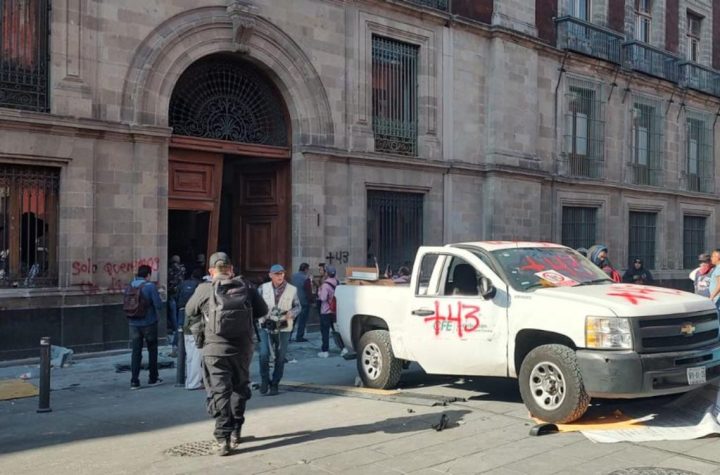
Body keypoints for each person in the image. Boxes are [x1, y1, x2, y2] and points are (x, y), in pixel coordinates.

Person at [184, 252, 267, 456]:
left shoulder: (204, 289)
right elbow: (262, 311)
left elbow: (189, 310)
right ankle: (236, 431)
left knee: (220, 391)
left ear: (211, 271)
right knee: (239, 388)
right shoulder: (246, 287)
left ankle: (223, 438)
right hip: (242, 348)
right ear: (230, 269)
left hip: (214, 350)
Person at [257, 264, 301, 396]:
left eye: (281, 273)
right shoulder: (262, 288)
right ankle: (265, 380)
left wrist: (291, 314)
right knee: (264, 354)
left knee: (280, 357)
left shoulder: (292, 289)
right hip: (265, 325)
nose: (280, 276)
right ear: (270, 275)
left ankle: (275, 383)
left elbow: (298, 307)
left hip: (284, 326)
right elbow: (255, 304)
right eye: (276, 274)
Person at [128, 265, 164, 390]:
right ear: (148, 275)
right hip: (149, 322)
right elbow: (158, 305)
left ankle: (134, 380)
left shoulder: (130, 285)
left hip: (133, 323)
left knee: (136, 352)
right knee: (152, 350)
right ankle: (153, 378)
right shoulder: (150, 286)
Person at [178, 268, 205, 390]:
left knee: (190, 356)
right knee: (196, 356)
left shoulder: (184, 284)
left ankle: (190, 381)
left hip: (186, 327)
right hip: (195, 328)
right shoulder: (199, 291)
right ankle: (194, 383)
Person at [317, 265, 339, 358]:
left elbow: (323, 298)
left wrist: (319, 291)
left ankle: (325, 350)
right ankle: (343, 348)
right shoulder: (337, 282)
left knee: (325, 331)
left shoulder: (325, 285)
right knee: (336, 330)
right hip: (334, 311)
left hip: (325, 311)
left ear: (327, 273)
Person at [167, 255, 186, 356]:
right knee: (179, 312)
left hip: (171, 292)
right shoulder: (182, 269)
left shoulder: (169, 269)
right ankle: (177, 329)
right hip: (180, 292)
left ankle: (175, 329)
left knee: (173, 312)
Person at [289, 263, 312, 343]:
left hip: (293, 301)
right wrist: (310, 300)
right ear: (305, 269)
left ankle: (288, 336)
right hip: (303, 302)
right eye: (308, 269)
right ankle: (299, 336)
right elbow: (308, 291)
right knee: (302, 320)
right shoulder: (306, 278)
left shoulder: (293, 276)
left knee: (292, 320)